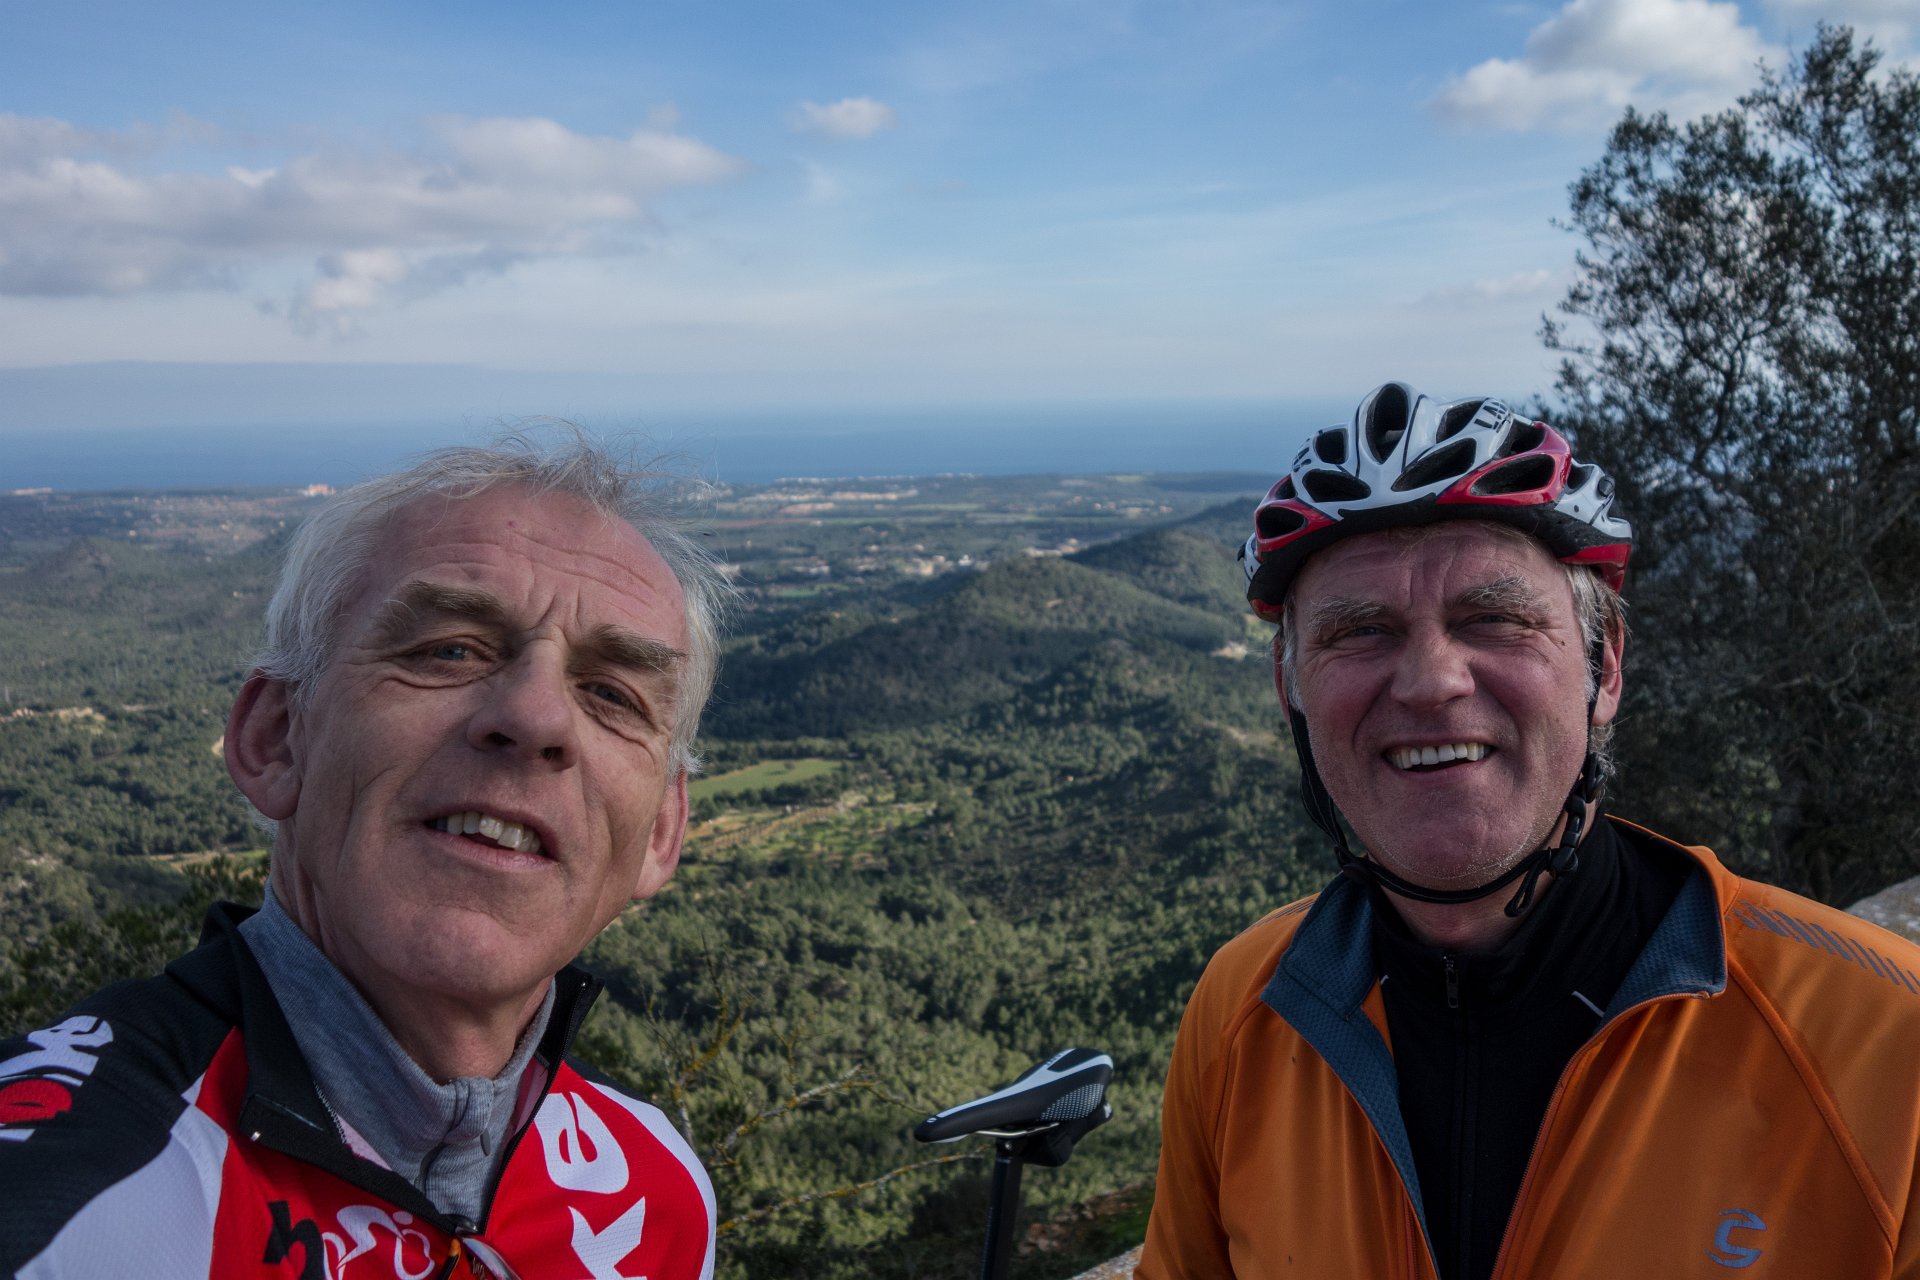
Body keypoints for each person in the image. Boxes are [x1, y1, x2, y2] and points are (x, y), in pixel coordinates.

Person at [1138, 383, 1920, 1279]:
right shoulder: (1244, 1007)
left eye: (1495, 619)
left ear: (1604, 666)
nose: (1431, 682)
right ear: (1291, 693)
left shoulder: (1885, 1048)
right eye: (1360, 631)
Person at [0, 435, 729, 1279]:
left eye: (611, 694)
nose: (537, 718)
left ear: (662, 832)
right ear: (276, 740)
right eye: (450, 650)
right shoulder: (60, 1214)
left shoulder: (658, 1195)